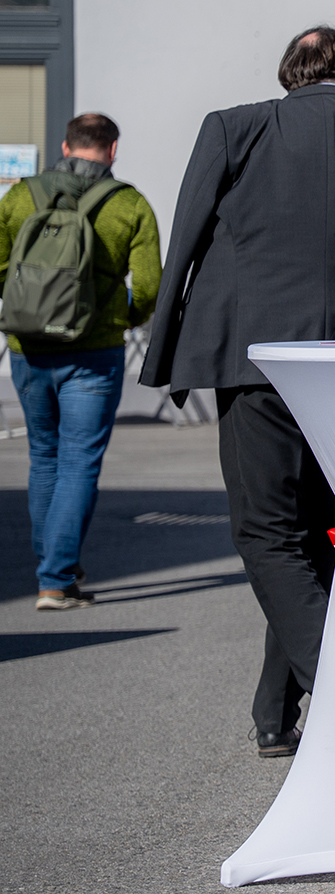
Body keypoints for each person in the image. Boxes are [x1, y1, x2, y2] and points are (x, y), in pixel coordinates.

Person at [142, 26, 335, 757]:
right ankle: (274, 709)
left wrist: (166, 354)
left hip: (255, 357)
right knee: (322, 528)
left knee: (267, 530)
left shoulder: (233, 128)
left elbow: (184, 237)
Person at [0, 113, 160, 610]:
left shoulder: (20, 195)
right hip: (94, 352)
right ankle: (56, 578)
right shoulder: (128, 203)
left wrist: (26, 309)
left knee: (44, 457)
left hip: (30, 351)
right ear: (112, 150)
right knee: (78, 462)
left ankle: (51, 567)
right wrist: (123, 318)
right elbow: (149, 283)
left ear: (66, 145)